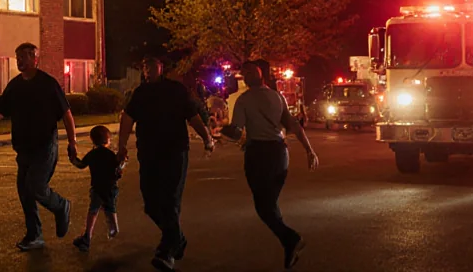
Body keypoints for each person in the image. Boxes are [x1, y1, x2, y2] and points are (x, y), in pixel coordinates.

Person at [117, 54, 215, 271]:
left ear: (162, 67)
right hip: (148, 153)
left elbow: (193, 117)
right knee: (151, 204)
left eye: (152, 65)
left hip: (174, 152)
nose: (148, 70)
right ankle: (177, 238)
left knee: (170, 201)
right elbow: (127, 118)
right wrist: (121, 146)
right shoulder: (140, 93)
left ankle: (166, 251)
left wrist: (207, 138)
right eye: (145, 66)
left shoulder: (176, 90)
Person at [226, 61, 319, 270]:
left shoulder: (244, 100)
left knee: (264, 206)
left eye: (250, 71)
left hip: (259, 154)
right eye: (245, 72)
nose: (247, 75)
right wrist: (309, 150)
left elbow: (236, 132)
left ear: (260, 74)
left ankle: (291, 239)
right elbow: (292, 125)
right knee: (269, 204)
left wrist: (219, 130)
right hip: (279, 153)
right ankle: (289, 244)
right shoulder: (277, 97)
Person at [0, 42, 77, 251]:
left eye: (24, 56)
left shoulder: (48, 84)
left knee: (35, 186)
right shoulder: (15, 85)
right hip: (23, 148)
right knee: (25, 192)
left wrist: (72, 142)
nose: (19, 61)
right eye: (17, 57)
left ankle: (61, 206)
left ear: (35, 59)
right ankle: (34, 235)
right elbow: (0, 110)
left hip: (44, 146)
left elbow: (66, 114)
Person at [69, 124, 121, 252]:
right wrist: (123, 162)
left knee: (93, 211)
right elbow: (118, 170)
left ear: (93, 140)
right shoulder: (110, 155)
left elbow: (81, 164)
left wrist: (72, 158)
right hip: (110, 188)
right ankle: (114, 229)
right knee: (110, 208)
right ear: (107, 140)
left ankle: (87, 237)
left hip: (97, 188)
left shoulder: (92, 154)